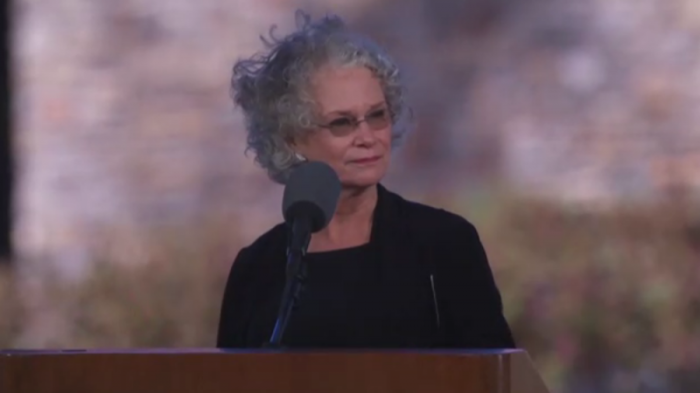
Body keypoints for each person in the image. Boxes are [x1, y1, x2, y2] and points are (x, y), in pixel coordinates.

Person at [216, 10, 515, 349]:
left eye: (377, 116)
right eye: (342, 123)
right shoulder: (256, 268)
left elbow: (496, 377)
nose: (367, 136)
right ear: (291, 138)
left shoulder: (443, 245)